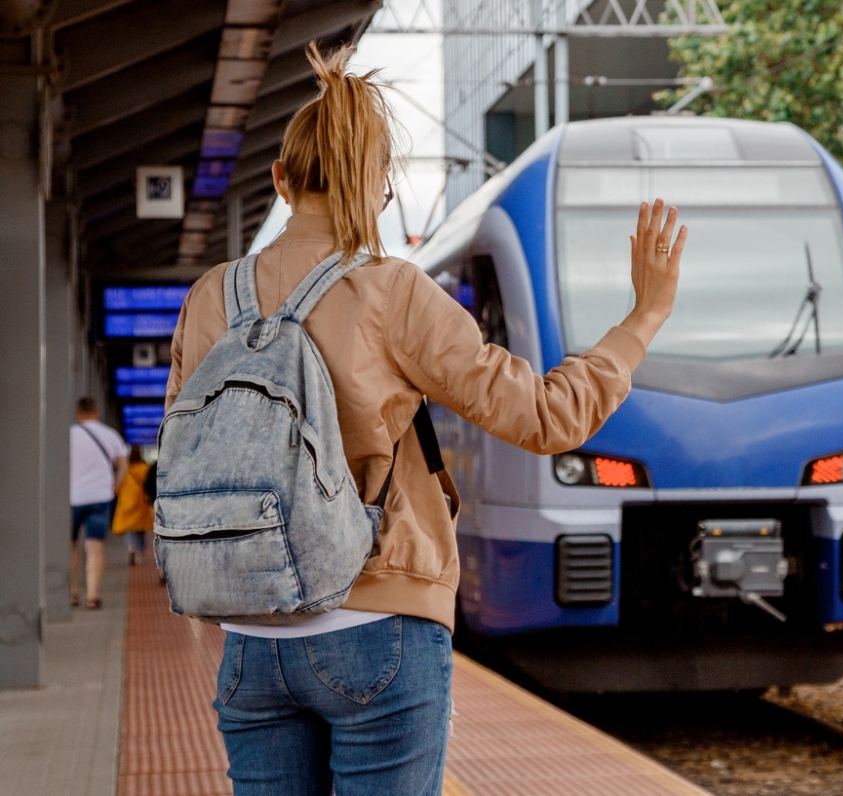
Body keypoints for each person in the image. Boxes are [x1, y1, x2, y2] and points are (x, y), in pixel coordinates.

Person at [165, 43, 684, 796]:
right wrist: (643, 317)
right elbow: (544, 417)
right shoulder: (392, 292)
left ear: (281, 180)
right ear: (378, 193)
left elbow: (178, 447)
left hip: (249, 640)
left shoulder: (211, 295)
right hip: (377, 626)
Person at [70, 396, 128, 609]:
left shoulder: (69, 435)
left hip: (73, 498)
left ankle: (73, 593)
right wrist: (113, 487)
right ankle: (92, 597)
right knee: (94, 547)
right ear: (98, 411)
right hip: (100, 498)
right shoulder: (110, 435)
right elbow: (123, 465)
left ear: (78, 413)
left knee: (71, 546)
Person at [112, 446, 153, 565]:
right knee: (140, 531)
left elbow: (118, 486)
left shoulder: (125, 470)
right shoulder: (145, 468)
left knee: (130, 530)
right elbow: (149, 486)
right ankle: (139, 554)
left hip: (127, 503)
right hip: (141, 505)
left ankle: (131, 548)